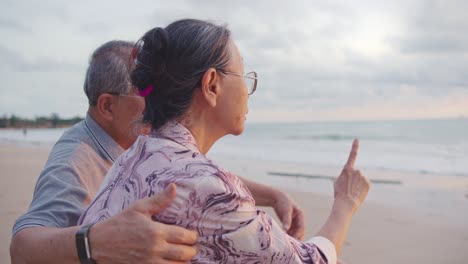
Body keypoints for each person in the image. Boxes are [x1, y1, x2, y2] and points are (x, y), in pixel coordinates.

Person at [79, 19, 370, 263]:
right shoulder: (211, 187)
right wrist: (345, 204)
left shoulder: (134, 156)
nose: (247, 90)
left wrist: (272, 194)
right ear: (211, 85)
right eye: (244, 75)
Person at [10, 40, 305, 264]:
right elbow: (21, 247)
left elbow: (190, 175)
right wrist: (97, 242)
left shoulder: (136, 142)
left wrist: (272, 195)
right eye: (148, 95)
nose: (158, 103)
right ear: (107, 106)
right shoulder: (75, 161)